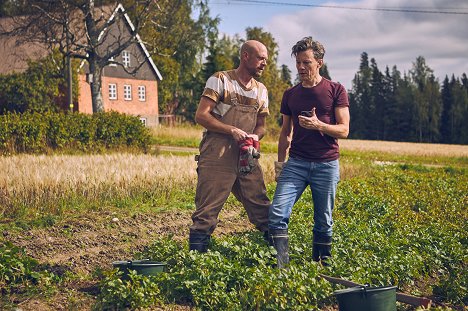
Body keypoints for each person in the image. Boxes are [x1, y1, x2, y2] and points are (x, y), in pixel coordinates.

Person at [269, 37, 350, 268]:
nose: (301, 68)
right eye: (298, 63)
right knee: (277, 212)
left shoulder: (336, 90)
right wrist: (280, 164)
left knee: (323, 221)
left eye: (307, 62)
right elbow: (285, 132)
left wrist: (319, 126)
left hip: (326, 164)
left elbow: (344, 130)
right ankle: (280, 268)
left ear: (319, 63)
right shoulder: (290, 94)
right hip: (296, 164)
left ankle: (321, 268)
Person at [189, 40, 271, 252]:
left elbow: (262, 126)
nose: (264, 64)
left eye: (266, 60)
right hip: (218, 154)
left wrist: (255, 136)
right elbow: (201, 115)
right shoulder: (220, 80)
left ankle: (278, 261)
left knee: (263, 211)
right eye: (261, 58)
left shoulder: (261, 90)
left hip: (247, 155)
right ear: (245, 56)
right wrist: (231, 130)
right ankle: (195, 265)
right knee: (206, 214)